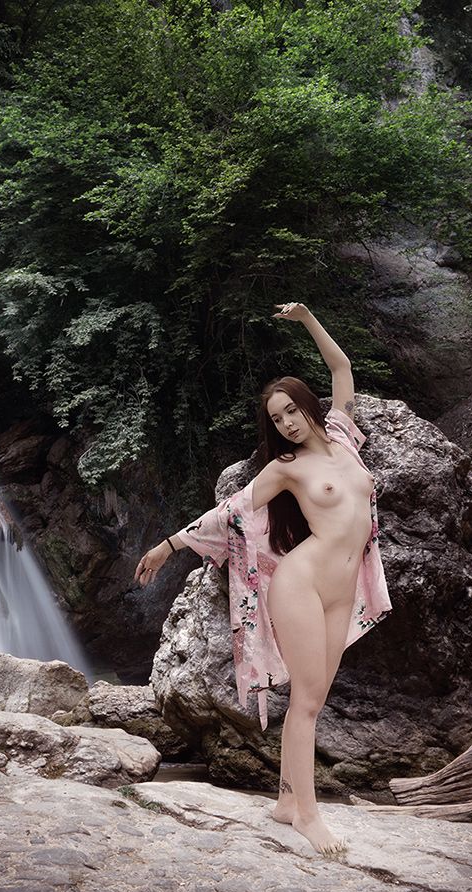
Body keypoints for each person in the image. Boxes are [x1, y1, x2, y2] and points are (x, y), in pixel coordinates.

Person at [133, 302, 392, 858]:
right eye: (277, 419)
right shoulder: (285, 468)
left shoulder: (345, 437)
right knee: (307, 703)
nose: (287, 423)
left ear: (308, 406)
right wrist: (168, 546)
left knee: (313, 698)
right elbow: (229, 512)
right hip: (301, 584)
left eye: (292, 410)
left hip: (344, 591)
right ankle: (308, 817)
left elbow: (342, 367)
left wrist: (308, 319)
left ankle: (285, 800)